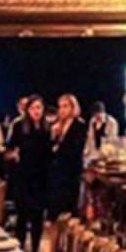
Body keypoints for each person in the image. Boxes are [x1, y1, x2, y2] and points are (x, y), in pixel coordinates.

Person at [6, 95, 50, 252]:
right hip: (23, 176)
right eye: (33, 108)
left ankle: (35, 251)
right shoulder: (19, 126)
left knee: (38, 217)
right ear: (27, 110)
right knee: (22, 216)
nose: (36, 111)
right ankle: (20, 250)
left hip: (41, 178)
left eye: (39, 108)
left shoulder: (47, 127)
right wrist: (13, 155)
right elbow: (9, 148)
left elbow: (49, 151)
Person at [47, 94, 87, 223]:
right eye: (60, 107)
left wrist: (60, 144)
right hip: (57, 170)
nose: (62, 110)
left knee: (69, 205)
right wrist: (54, 136)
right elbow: (50, 147)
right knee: (55, 205)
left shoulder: (79, 125)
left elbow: (76, 148)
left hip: (71, 170)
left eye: (66, 106)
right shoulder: (57, 125)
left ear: (73, 107)